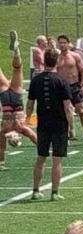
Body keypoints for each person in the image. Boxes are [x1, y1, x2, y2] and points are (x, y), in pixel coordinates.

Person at [26, 47, 72, 201]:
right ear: (57, 61)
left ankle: (35, 190)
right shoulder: (61, 81)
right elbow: (68, 107)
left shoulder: (36, 80)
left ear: (44, 60)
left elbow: (30, 104)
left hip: (43, 124)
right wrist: (71, 126)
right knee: (57, 159)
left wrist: (27, 120)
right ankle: (54, 192)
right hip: (59, 125)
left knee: (41, 158)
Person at [0, 35, 37, 170]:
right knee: (17, 70)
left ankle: (16, 50)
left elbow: (34, 137)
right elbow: (34, 137)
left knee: (18, 69)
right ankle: (16, 50)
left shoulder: (16, 129)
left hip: (14, 100)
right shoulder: (9, 130)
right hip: (9, 101)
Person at [56, 34, 83, 143]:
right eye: (60, 43)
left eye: (64, 42)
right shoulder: (56, 58)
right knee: (66, 110)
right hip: (62, 88)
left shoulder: (75, 56)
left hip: (75, 86)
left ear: (68, 43)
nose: (62, 45)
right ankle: (71, 131)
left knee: (81, 111)